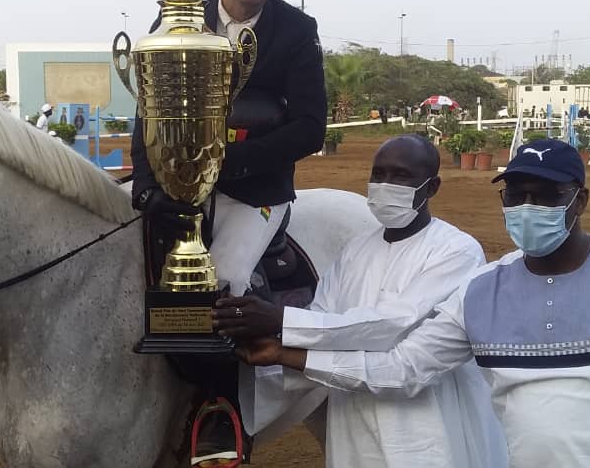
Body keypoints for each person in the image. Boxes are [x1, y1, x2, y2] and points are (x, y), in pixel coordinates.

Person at [238, 139, 590, 467]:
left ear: (579, 200)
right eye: (515, 194)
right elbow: (403, 367)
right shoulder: (482, 290)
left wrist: (285, 325)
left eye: (545, 195)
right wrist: (284, 353)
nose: (527, 207)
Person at [128, 0, 325, 467]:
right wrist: (147, 183)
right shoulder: (174, 17)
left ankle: (221, 410)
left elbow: (310, 128)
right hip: (174, 180)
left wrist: (221, 163)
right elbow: (150, 109)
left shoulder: (296, 31)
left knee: (223, 290)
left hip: (254, 193)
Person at [213, 135, 506, 467]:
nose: (385, 185)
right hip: (351, 429)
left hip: (423, 432)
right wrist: (269, 349)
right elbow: (321, 327)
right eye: (378, 175)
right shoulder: (355, 251)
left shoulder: (456, 251)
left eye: (401, 176)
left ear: (432, 187)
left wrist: (281, 323)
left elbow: (391, 329)